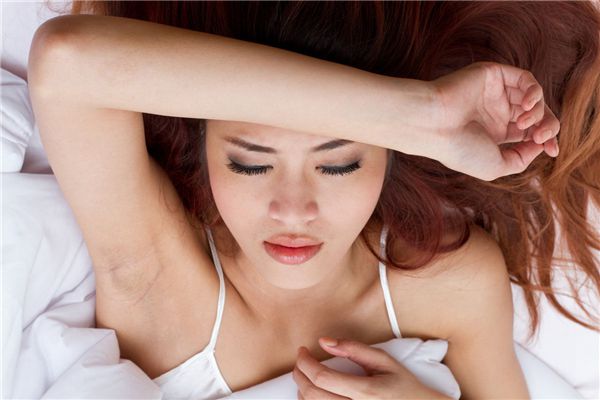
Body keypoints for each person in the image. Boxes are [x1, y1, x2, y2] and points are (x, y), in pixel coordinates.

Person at [29, 2, 599, 399]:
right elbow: (64, 60)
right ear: (202, 155)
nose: (294, 210)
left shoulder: (453, 286)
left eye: (338, 164)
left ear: (390, 157)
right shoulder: (157, 282)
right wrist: (424, 114)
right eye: (250, 164)